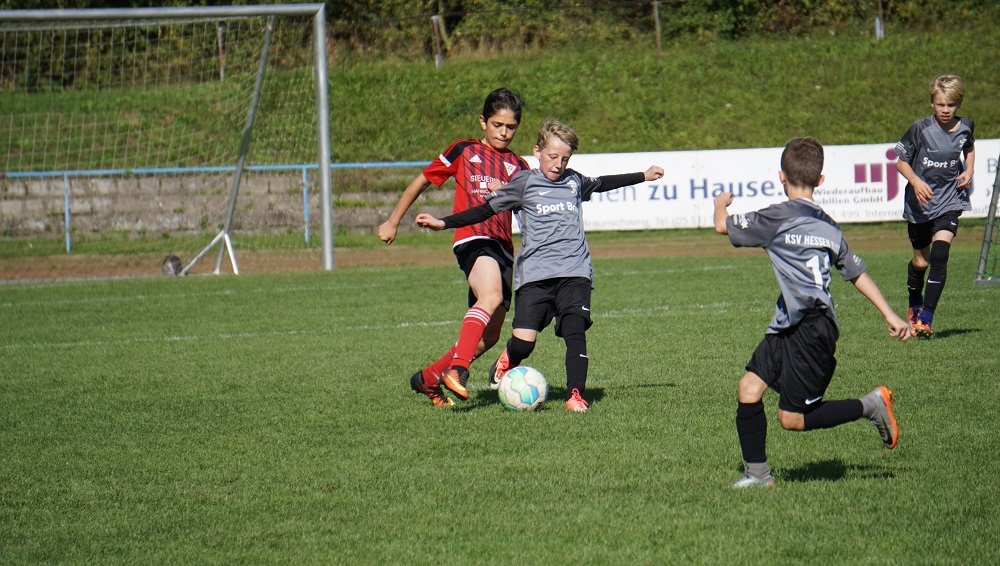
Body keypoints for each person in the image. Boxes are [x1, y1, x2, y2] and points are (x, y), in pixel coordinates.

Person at [417, 119, 664, 412]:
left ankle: (575, 395)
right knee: (524, 344)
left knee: (575, 330)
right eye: (552, 156)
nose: (558, 164)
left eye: (565, 159)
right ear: (537, 151)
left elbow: (603, 182)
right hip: (535, 276)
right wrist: (443, 222)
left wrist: (643, 176)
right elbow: (484, 211)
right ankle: (508, 357)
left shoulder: (574, 181)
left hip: (575, 271)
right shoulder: (524, 183)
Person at [713, 137, 911, 488]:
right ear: (820, 180)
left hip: (812, 328)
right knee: (749, 388)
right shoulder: (829, 226)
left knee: (791, 418)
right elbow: (855, 272)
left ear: (781, 176)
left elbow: (721, 225)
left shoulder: (775, 217)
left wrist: (720, 203)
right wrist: (890, 314)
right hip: (789, 323)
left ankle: (870, 404)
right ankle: (758, 475)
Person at [378, 88, 531, 407]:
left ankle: (428, 377)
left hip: (504, 248)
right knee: (492, 295)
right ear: (483, 122)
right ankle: (458, 370)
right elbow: (422, 180)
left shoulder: (519, 166)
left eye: (511, 127)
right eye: (497, 125)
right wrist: (393, 221)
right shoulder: (464, 150)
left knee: (490, 336)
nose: (504, 132)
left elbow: (528, 209)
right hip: (473, 238)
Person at [893, 74, 975, 338]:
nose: (945, 109)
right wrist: (916, 181)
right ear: (932, 103)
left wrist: (969, 170)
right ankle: (914, 301)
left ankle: (926, 318)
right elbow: (901, 162)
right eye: (940, 104)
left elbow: (969, 147)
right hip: (920, 204)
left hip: (950, 200)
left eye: (951, 104)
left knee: (940, 255)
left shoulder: (965, 126)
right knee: (921, 261)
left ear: (958, 104)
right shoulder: (920, 129)